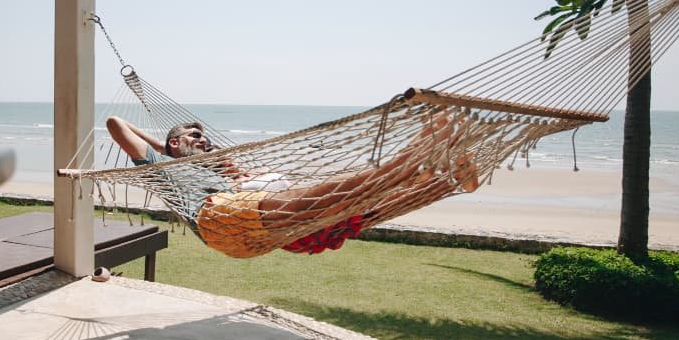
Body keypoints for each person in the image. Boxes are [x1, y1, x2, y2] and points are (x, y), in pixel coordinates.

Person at [105, 113, 478, 258]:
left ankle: (441, 181)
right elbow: (115, 123)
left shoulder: (220, 173)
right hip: (220, 219)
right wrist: (168, 150)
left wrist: (189, 147)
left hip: (256, 231)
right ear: (173, 144)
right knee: (335, 195)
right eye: (195, 135)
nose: (204, 140)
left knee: (352, 213)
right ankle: (415, 156)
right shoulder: (159, 169)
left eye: (205, 137)